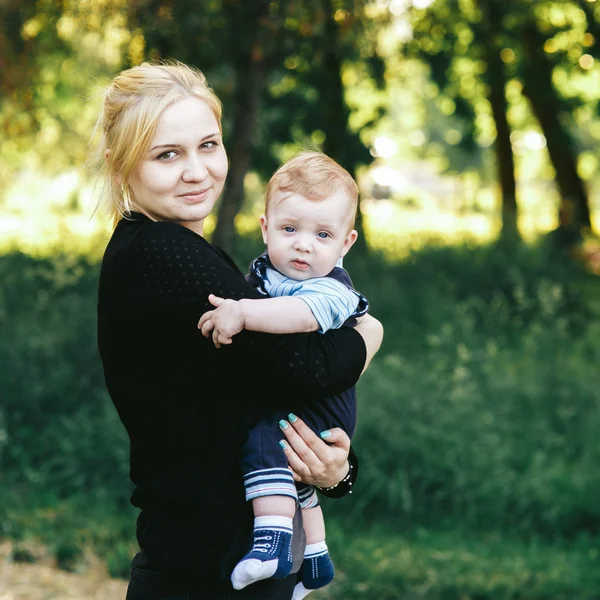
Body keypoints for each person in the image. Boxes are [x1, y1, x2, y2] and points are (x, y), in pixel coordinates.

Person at [94, 60, 384, 600]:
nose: (197, 171)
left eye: (208, 145)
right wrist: (371, 332)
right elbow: (311, 367)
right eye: (167, 154)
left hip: (222, 558)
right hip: (203, 571)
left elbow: (265, 390)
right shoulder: (162, 252)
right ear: (121, 165)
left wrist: (334, 472)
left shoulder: (188, 253)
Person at [198, 152, 374, 599]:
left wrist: (241, 311)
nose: (303, 245)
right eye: (289, 229)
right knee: (297, 474)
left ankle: (273, 543)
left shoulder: (331, 289)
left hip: (324, 406)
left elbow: (298, 315)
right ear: (265, 228)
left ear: (345, 243)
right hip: (303, 402)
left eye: (322, 234)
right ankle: (313, 556)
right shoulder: (265, 274)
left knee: (265, 440)